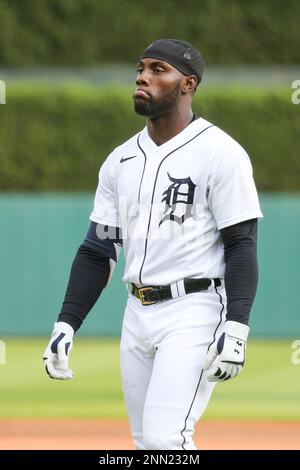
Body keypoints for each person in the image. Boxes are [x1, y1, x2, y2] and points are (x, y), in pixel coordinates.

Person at [43, 39, 263, 450]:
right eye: (141, 68)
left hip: (194, 309)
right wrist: (66, 322)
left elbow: (241, 243)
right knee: (148, 443)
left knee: (167, 440)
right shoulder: (120, 160)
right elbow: (98, 249)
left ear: (188, 84)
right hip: (137, 313)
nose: (143, 76)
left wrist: (237, 324)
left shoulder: (220, 152)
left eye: (159, 69)